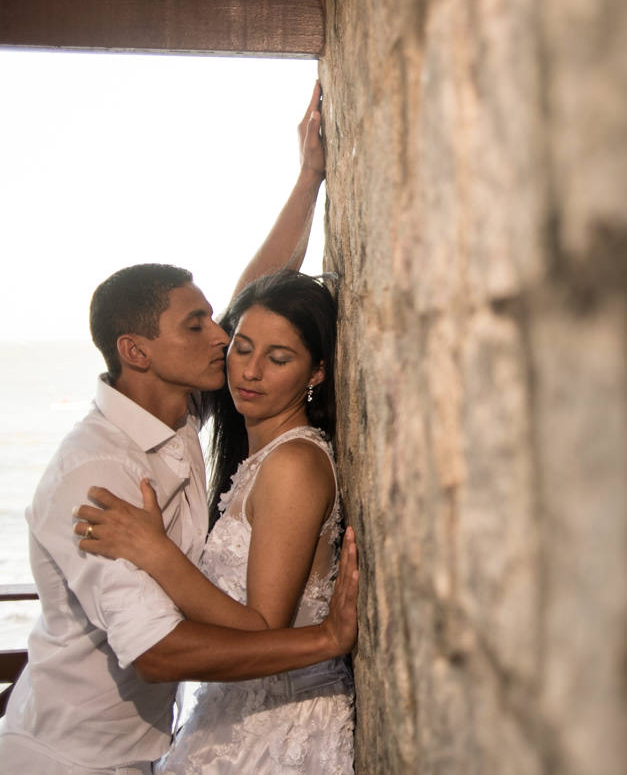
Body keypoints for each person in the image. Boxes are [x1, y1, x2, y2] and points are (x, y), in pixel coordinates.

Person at [0, 83, 359, 775]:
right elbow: (160, 648)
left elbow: (259, 304)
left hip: (151, 747)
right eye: (198, 326)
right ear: (138, 352)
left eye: (222, 327)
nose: (224, 340)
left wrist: (309, 178)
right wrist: (327, 639)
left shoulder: (182, 410)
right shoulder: (95, 473)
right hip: (69, 756)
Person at [78, 270, 353, 774]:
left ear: (316, 372)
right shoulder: (260, 457)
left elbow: (263, 628)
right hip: (233, 712)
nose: (250, 372)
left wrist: (155, 552)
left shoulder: (293, 465)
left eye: (278, 359)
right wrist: (306, 189)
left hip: (279, 730)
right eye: (242, 348)